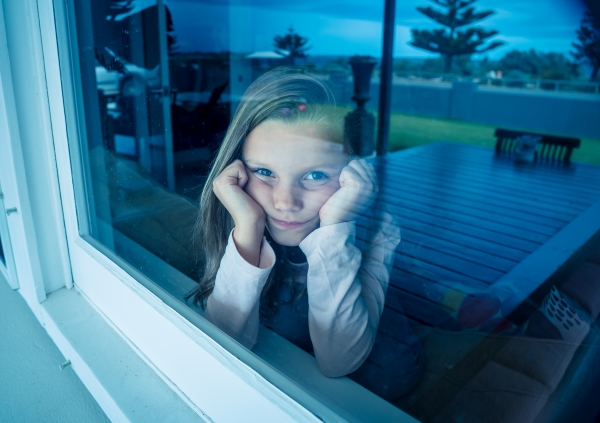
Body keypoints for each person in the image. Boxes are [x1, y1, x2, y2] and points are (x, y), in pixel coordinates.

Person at [187, 67, 423, 400]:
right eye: (265, 172)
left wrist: (334, 226)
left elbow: (338, 362)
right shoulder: (244, 215)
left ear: (351, 175)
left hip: (376, 389)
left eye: (314, 175)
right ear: (238, 169)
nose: (285, 203)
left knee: (426, 304)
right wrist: (248, 229)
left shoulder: (378, 230)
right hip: (291, 383)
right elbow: (222, 340)